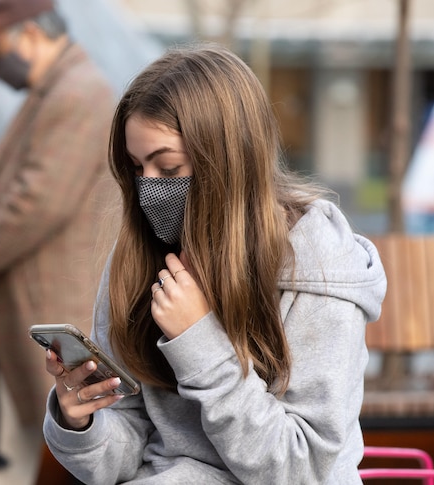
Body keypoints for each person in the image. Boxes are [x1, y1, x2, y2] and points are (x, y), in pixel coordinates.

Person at [42, 43, 388, 484]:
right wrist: (81, 422)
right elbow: (126, 451)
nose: (148, 188)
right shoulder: (139, 257)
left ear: (228, 162)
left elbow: (303, 469)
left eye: (168, 169)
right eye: (135, 167)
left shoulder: (318, 266)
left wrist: (198, 342)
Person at [0, 0, 118, 467]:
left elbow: (35, 202)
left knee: (62, 455)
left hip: (54, 308)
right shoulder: (55, 90)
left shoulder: (77, 92)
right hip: (36, 307)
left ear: (29, 34)